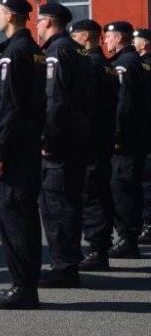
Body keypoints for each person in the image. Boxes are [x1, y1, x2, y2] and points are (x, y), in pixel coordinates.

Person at [0, 0, 45, 310]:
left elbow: (11, 109)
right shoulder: (34, 51)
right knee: (26, 217)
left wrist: (0, 154)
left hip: (15, 151)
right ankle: (26, 285)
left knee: (14, 219)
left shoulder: (14, 53)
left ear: (10, 15)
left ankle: (22, 288)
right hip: (29, 145)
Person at [35, 3, 93, 288]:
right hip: (78, 137)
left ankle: (64, 268)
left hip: (61, 142)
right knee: (69, 201)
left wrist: (48, 137)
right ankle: (70, 260)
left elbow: (54, 99)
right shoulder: (78, 50)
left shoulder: (57, 52)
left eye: (39, 20)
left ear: (48, 22)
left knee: (56, 205)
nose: (36, 25)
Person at [69, 20, 118, 271]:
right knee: (101, 192)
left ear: (86, 36)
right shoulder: (107, 65)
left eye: (75, 36)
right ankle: (101, 246)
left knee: (92, 196)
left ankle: (98, 250)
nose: (72, 41)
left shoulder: (90, 64)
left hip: (91, 140)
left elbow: (85, 104)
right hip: (104, 138)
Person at [103, 21, 149, 259]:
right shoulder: (136, 62)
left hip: (126, 140)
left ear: (119, 38)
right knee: (130, 187)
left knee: (122, 189)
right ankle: (130, 236)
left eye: (108, 37)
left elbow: (123, 105)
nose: (105, 41)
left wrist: (117, 135)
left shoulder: (124, 65)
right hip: (138, 137)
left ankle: (127, 240)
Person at [134, 28, 151, 245]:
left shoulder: (143, 65)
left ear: (144, 45)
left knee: (146, 181)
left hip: (144, 130)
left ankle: (148, 225)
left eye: (135, 42)